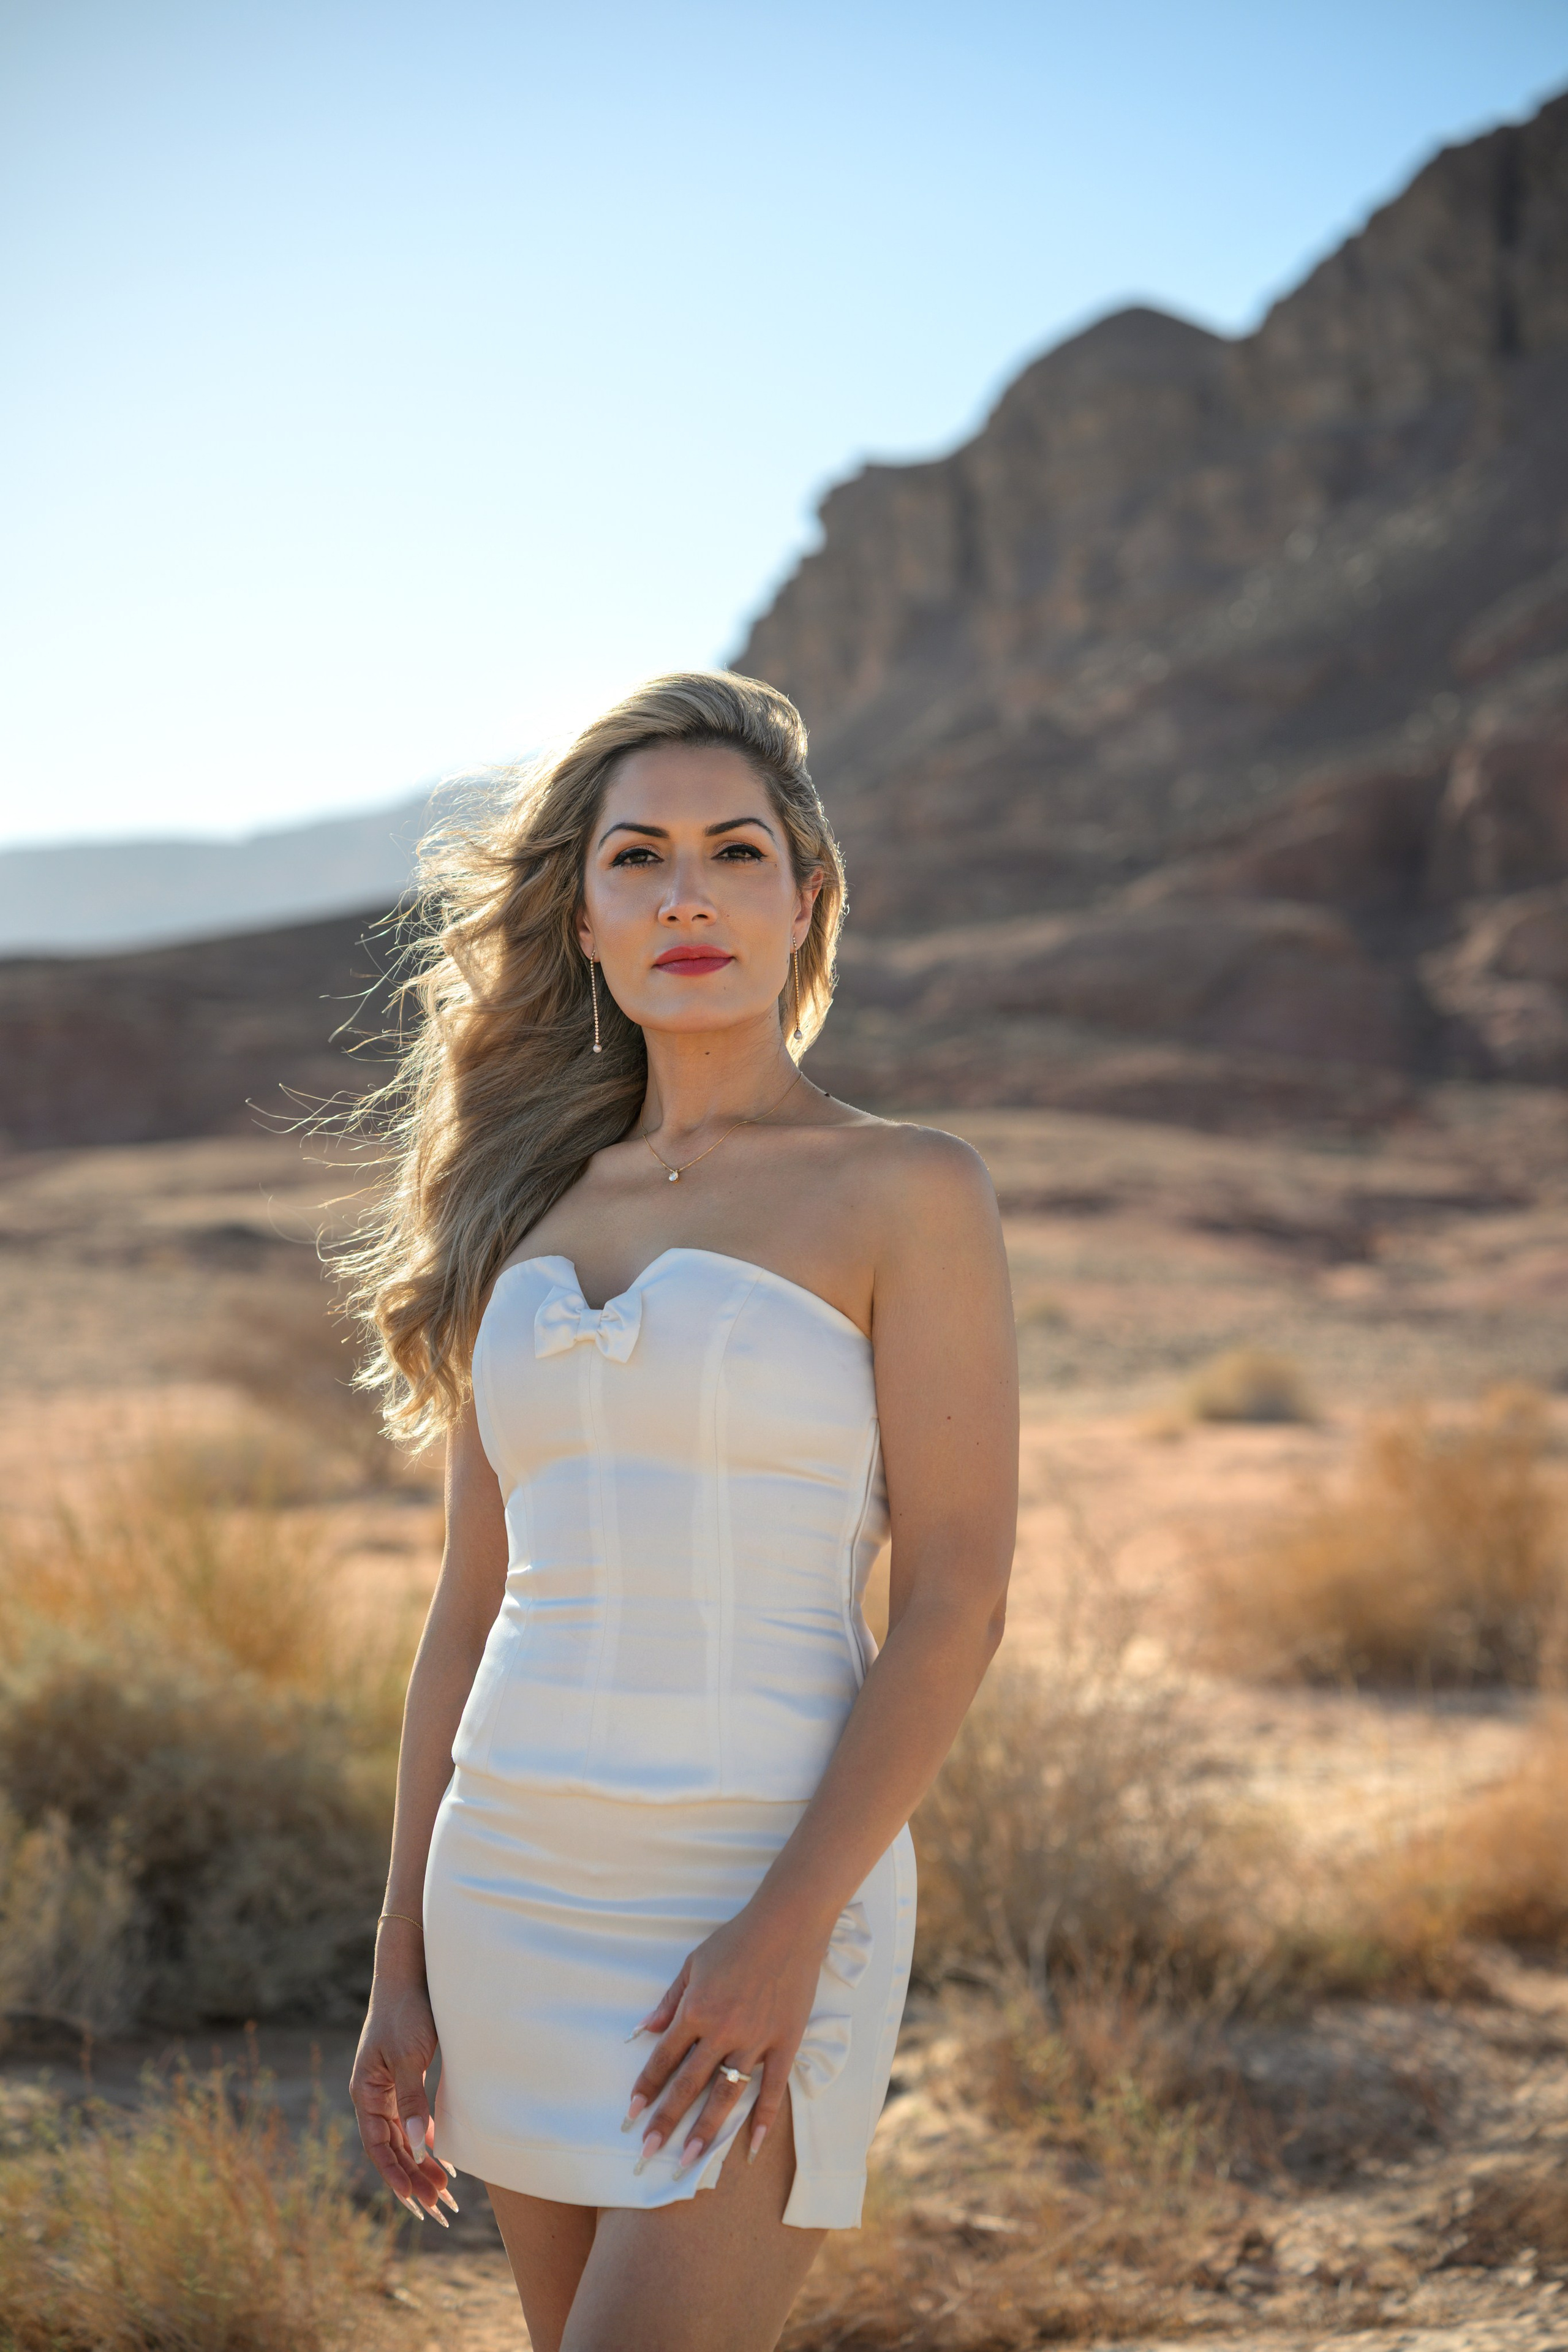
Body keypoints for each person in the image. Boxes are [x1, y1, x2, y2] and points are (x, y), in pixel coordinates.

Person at [347, 670, 1018, 2352]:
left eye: (734, 852)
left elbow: (956, 1595)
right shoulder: (520, 1207)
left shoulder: (906, 1189)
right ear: (582, 917)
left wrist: (785, 1932)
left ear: (806, 899)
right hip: (508, 1886)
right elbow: (468, 1605)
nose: (688, 894)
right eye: (638, 858)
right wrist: (397, 1962)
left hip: (762, 1879)